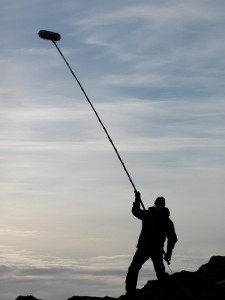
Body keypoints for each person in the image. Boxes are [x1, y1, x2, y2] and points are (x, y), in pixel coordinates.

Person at [125, 191, 177, 297]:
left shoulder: (167, 221)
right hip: (143, 247)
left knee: (160, 272)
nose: (158, 206)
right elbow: (135, 211)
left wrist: (168, 253)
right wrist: (137, 199)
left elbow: (172, 238)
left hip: (157, 249)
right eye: (157, 204)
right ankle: (130, 293)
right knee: (133, 269)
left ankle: (166, 294)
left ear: (163, 206)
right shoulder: (147, 214)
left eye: (160, 205)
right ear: (155, 204)